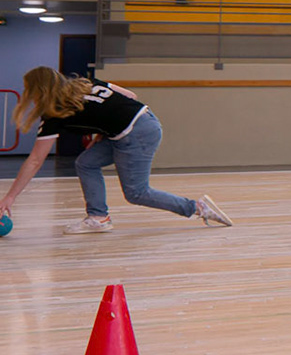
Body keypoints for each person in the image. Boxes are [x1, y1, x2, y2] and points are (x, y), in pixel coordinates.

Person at [0, 69, 232, 234]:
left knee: (136, 193)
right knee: (86, 163)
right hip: (142, 122)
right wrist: (104, 130)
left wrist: (10, 197)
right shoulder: (86, 82)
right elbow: (130, 96)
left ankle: (196, 207)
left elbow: (35, 160)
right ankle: (99, 218)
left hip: (137, 133)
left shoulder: (54, 112)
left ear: (38, 91)